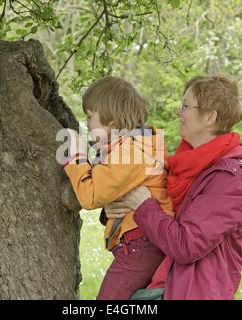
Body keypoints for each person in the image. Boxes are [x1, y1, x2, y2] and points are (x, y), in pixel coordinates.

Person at [105, 75, 242, 299]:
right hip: (156, 284)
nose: (178, 112)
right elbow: (160, 206)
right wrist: (116, 208)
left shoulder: (231, 181)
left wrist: (143, 206)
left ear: (210, 117)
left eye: (186, 106)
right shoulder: (185, 164)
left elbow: (186, 245)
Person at [63, 76, 174, 299]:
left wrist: (76, 156)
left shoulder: (130, 152)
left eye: (90, 117)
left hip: (142, 245)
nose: (87, 124)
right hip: (143, 243)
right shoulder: (133, 146)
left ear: (111, 120)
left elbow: (90, 196)